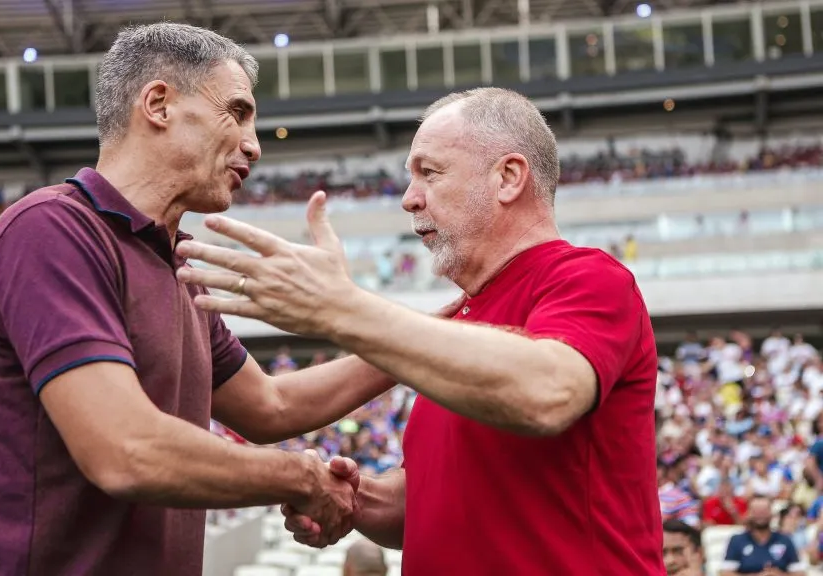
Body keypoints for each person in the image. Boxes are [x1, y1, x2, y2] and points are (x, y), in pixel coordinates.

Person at [0, 23, 402, 576]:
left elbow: (270, 405)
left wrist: (429, 339)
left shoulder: (174, 263)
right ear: (158, 104)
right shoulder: (52, 230)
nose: (255, 144)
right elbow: (126, 449)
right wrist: (299, 478)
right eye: (238, 111)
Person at [177, 87, 663, 572]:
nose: (409, 200)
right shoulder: (464, 316)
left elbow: (549, 392)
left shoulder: (587, 277)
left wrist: (343, 310)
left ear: (509, 177)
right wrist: (355, 497)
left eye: (429, 173)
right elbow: (432, 498)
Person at [720, 495, 806, 575]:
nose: (760, 514)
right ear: (748, 514)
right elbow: (725, 573)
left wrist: (779, 575)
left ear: (772, 514)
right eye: (756, 511)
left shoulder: (785, 540)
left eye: (764, 510)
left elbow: (800, 573)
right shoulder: (737, 540)